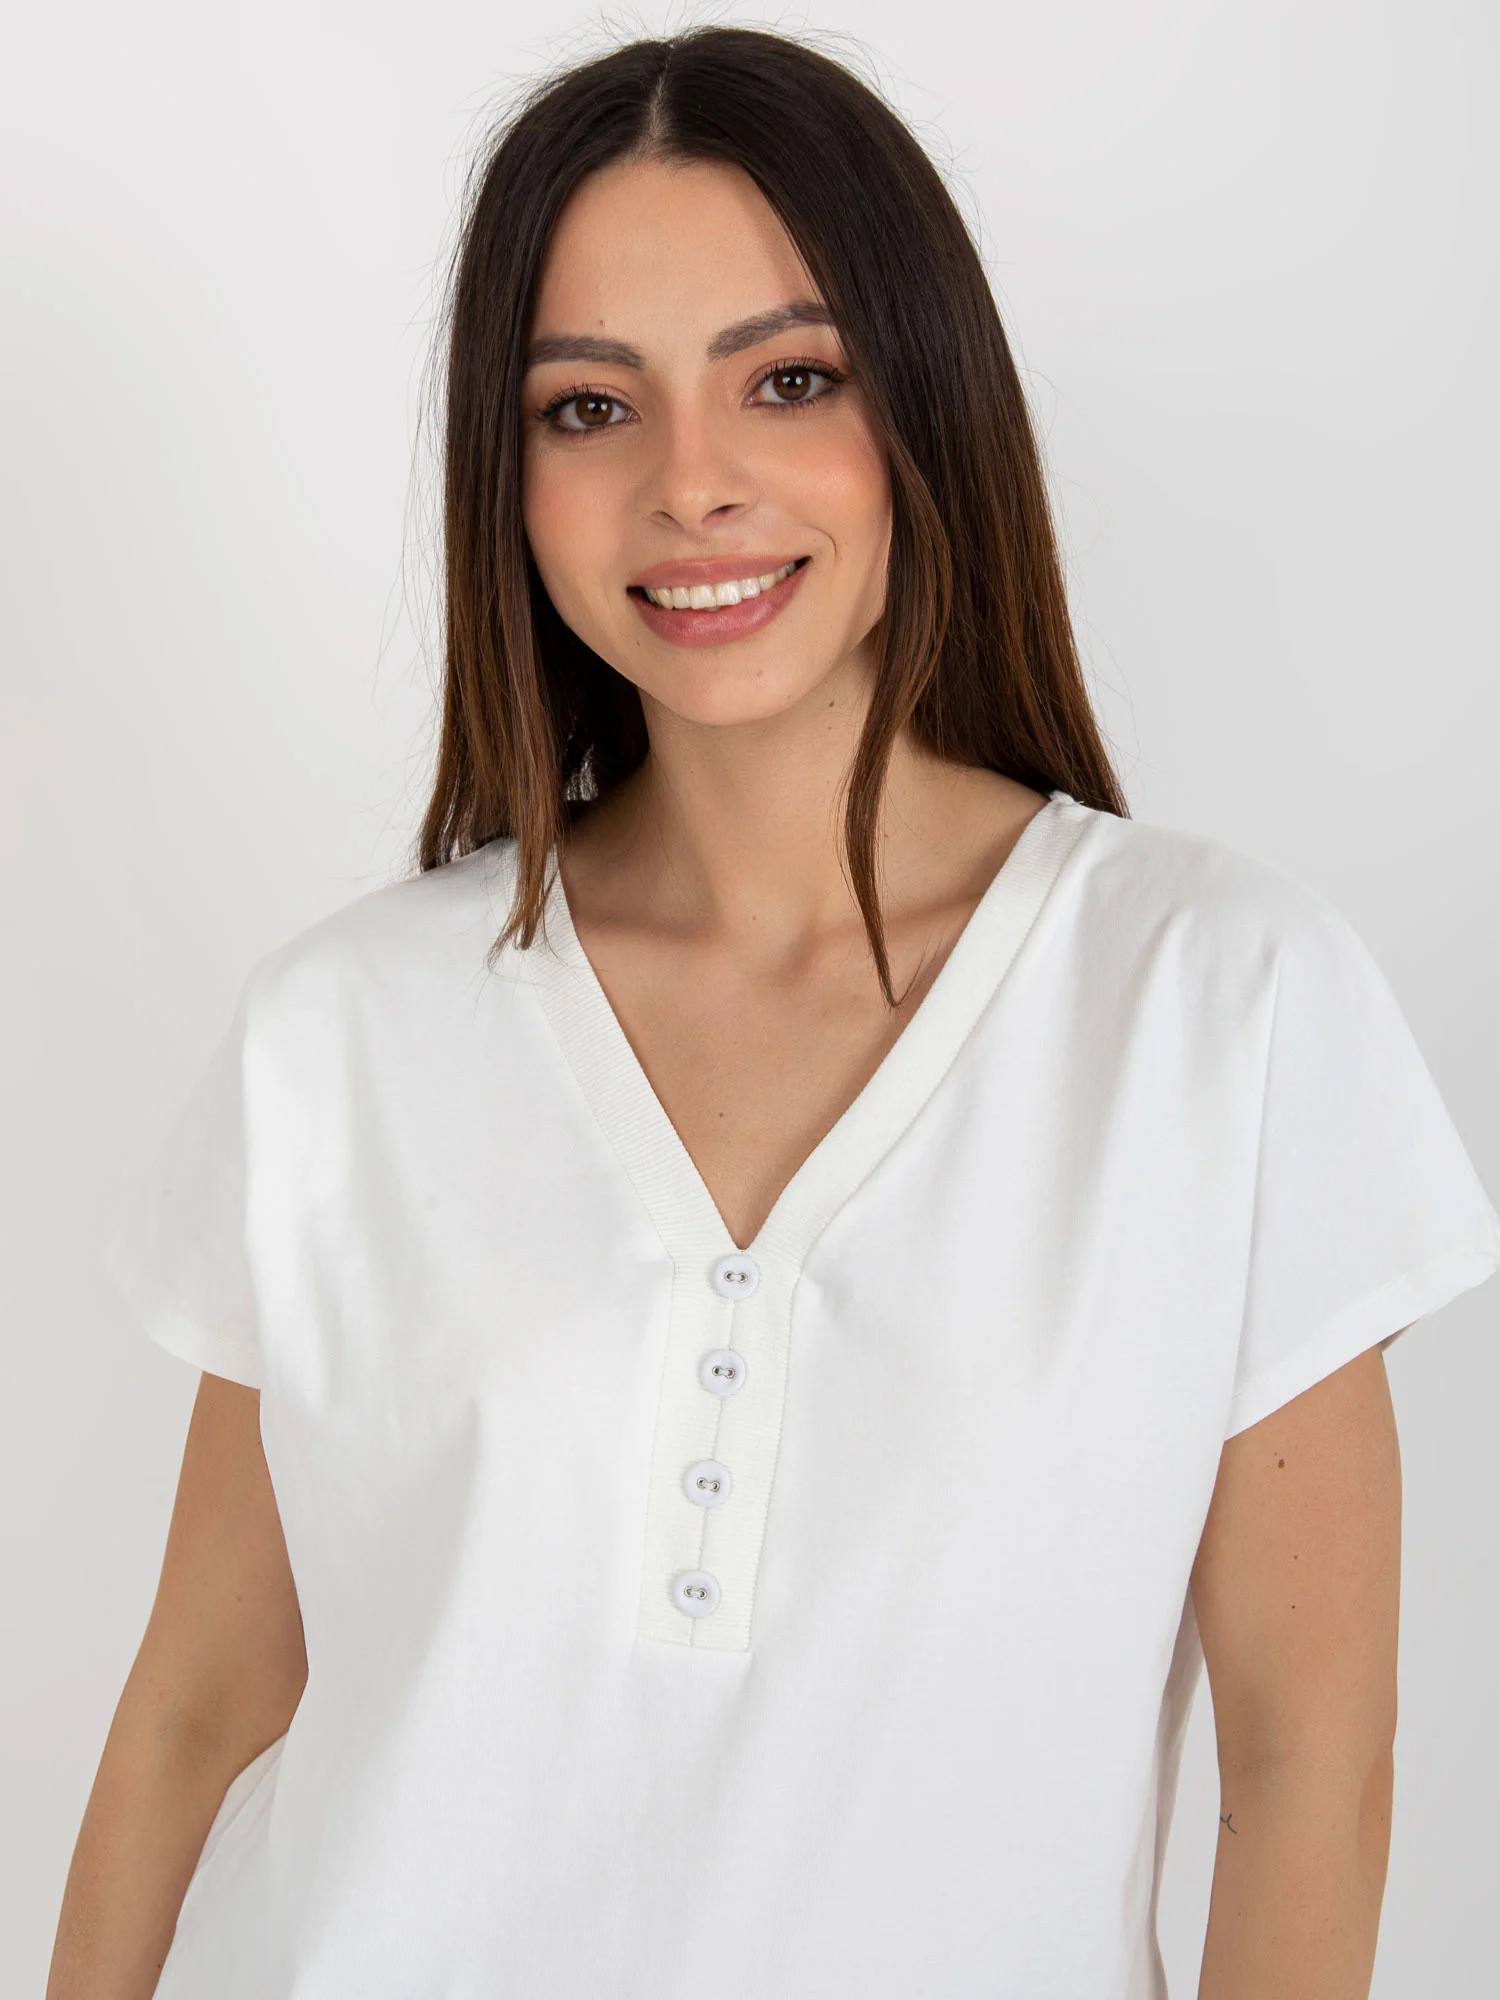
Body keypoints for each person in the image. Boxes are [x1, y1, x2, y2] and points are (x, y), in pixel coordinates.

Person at [48, 25, 1500, 2000]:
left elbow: (1308, 1766)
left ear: (926, 407)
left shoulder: (1219, 1006)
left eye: (788, 380)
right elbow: (193, 1712)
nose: (691, 483)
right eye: (588, 407)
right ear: (509, 476)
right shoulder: (341, 1040)